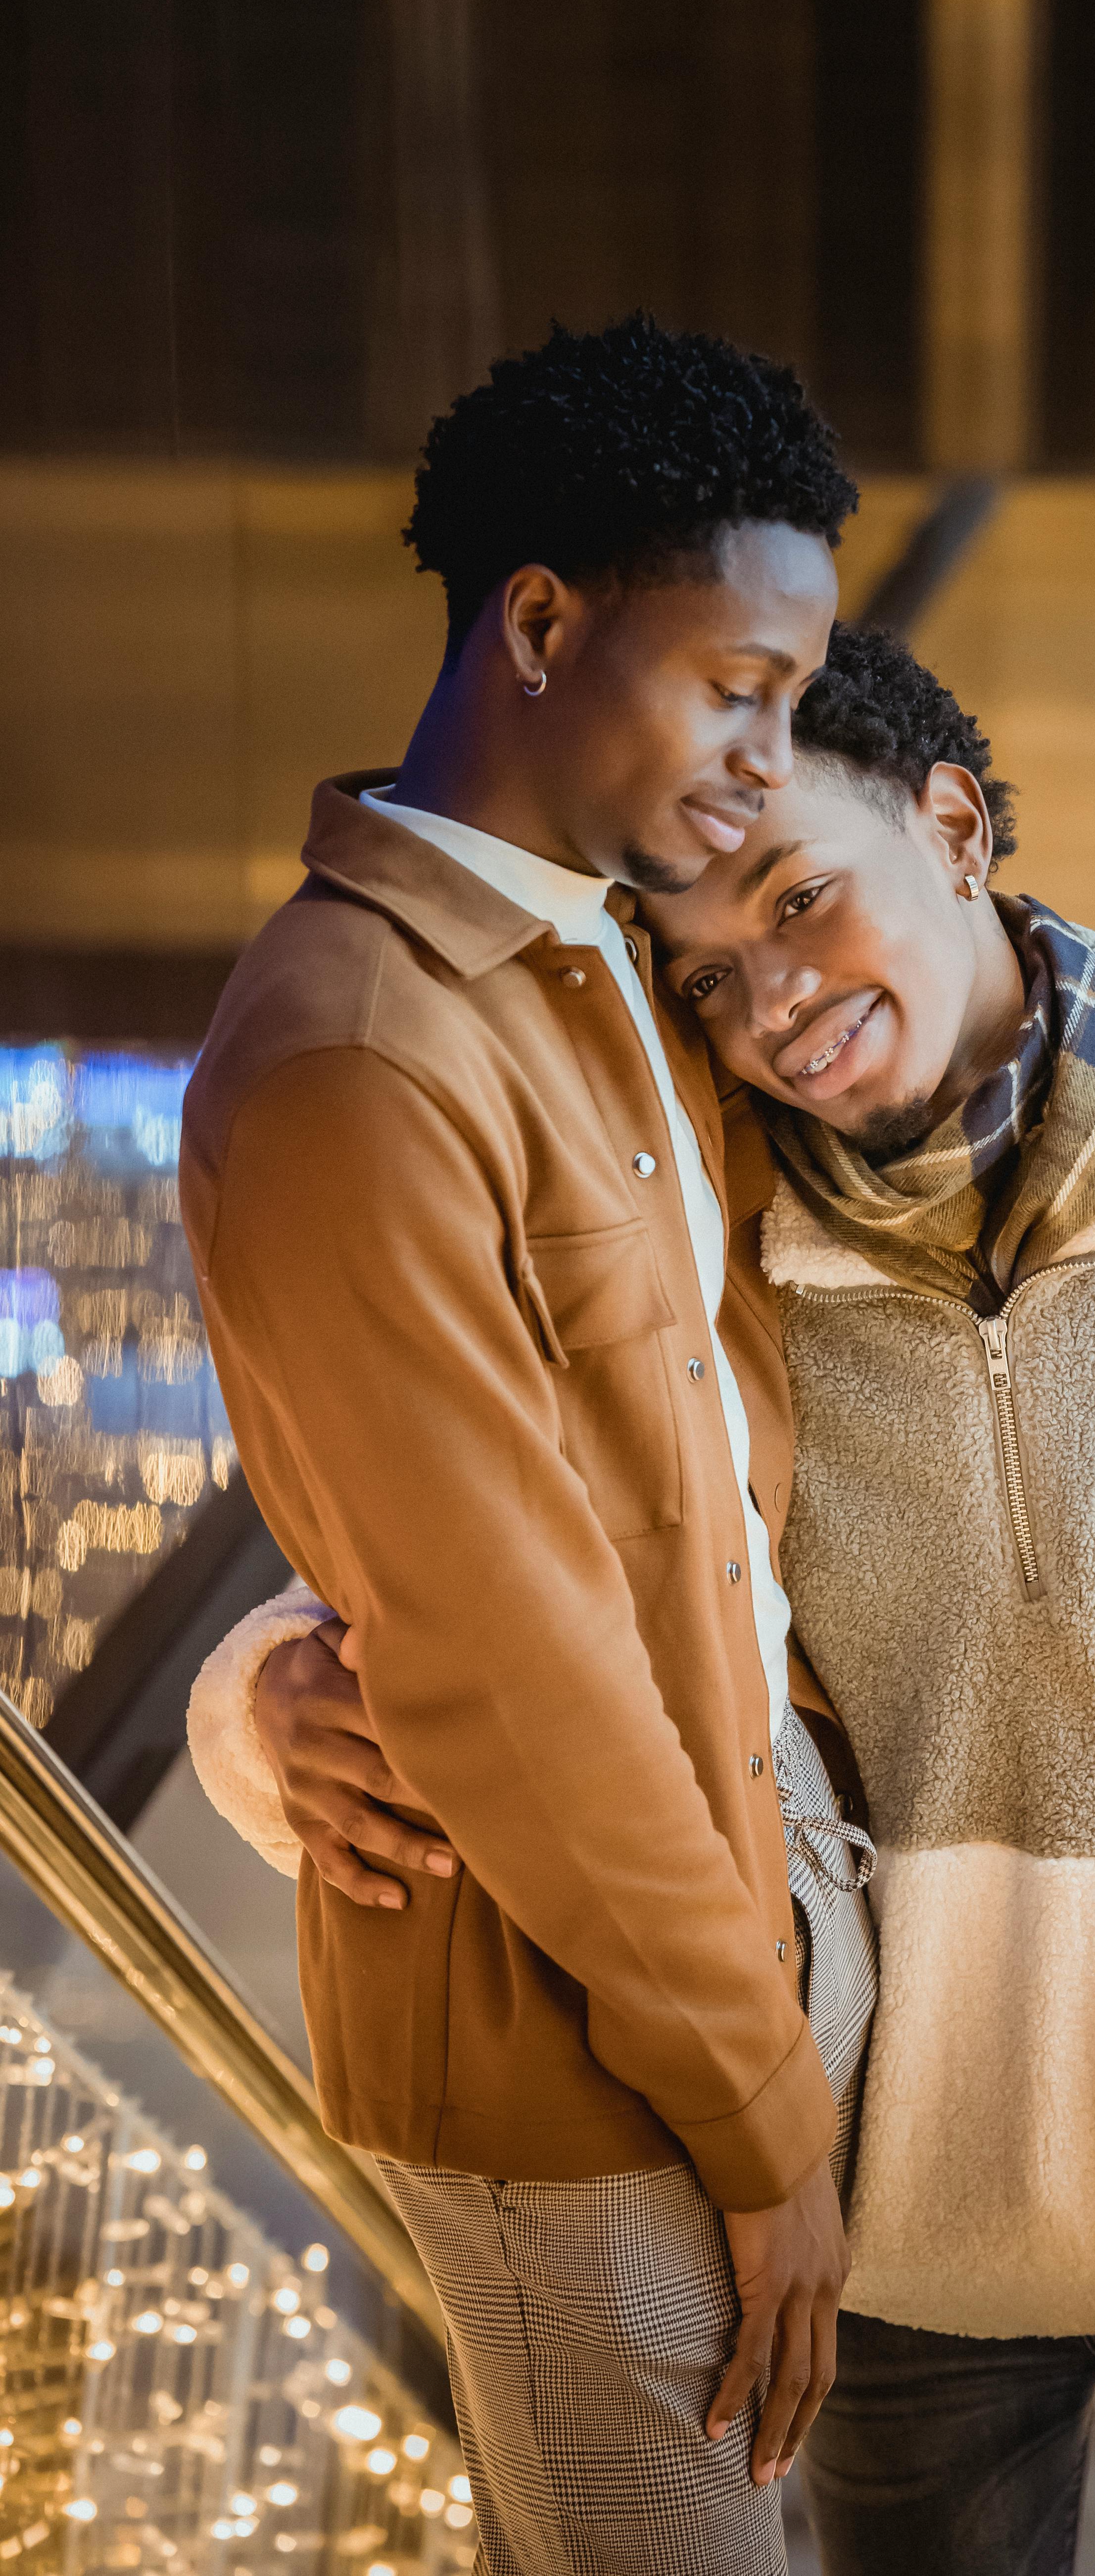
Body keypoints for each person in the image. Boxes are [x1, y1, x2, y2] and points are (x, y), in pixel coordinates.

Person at [189, 447, 1095, 2562]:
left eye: (799, 903)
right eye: (707, 981)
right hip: (884, 2216)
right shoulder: (715, 1243)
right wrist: (264, 1696)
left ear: (950, 822)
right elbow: (487, 1566)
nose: (774, 1011)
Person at [179, 316, 875, 2576]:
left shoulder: (614, 971)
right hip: (566, 2072)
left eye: (794, 703)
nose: (773, 763)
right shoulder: (357, 1056)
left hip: (705, 1984)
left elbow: (969, 970)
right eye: (738, 689)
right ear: (545, 623)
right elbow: (513, 1654)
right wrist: (765, 2117)